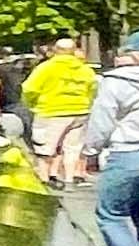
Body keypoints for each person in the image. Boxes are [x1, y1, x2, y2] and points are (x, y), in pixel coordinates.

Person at [87, 30, 139, 246]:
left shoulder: (117, 81)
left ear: (135, 55)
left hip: (130, 155)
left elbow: (101, 122)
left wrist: (90, 152)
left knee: (110, 215)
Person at [29, 36, 100, 183]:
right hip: (80, 112)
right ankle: (69, 178)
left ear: (55, 50)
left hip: (50, 111)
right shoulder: (85, 69)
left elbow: (29, 89)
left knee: (45, 147)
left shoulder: (46, 68)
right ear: (74, 51)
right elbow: (93, 90)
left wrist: (32, 104)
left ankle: (45, 179)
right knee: (73, 148)